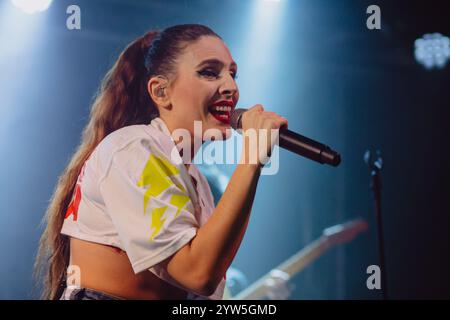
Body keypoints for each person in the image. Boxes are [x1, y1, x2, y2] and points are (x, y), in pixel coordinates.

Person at [34, 24, 287, 300]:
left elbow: (206, 285)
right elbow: (197, 272)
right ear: (161, 92)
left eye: (233, 74)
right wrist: (252, 158)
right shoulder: (133, 148)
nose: (231, 87)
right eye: (209, 72)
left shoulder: (195, 180)